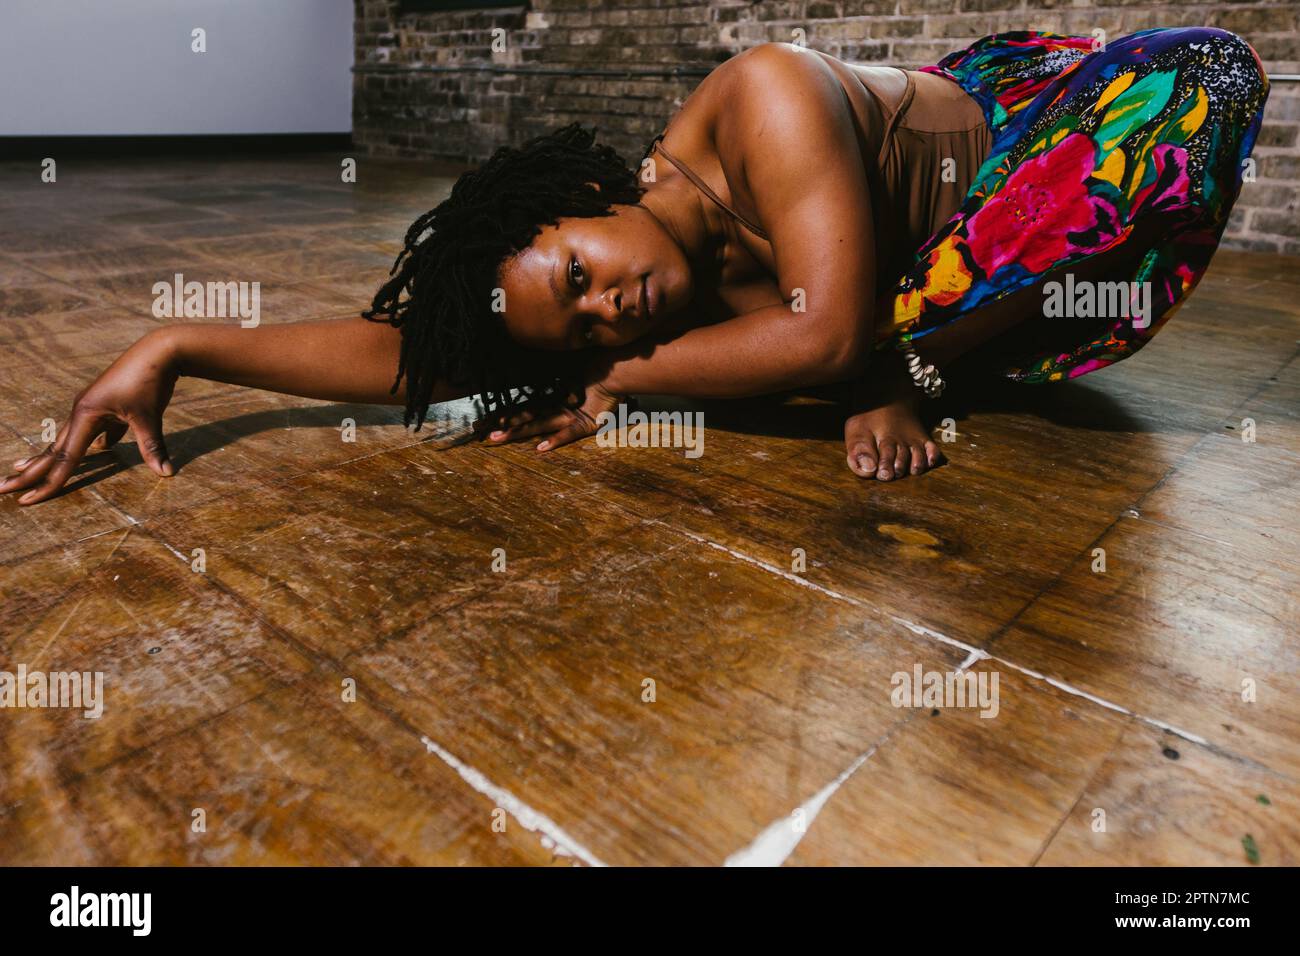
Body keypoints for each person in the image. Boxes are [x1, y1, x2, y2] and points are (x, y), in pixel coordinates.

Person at [1, 27, 1269, 505]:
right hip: (984, 303)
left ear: (592, 199)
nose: (616, 312)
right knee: (851, 334)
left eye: (581, 277)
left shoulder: (760, 96)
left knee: (1204, 81)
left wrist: (642, 384)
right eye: (592, 335)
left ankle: (905, 355)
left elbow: (815, 338)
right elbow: (423, 357)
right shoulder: (640, 298)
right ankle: (911, 352)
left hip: (1038, 133)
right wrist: (176, 350)